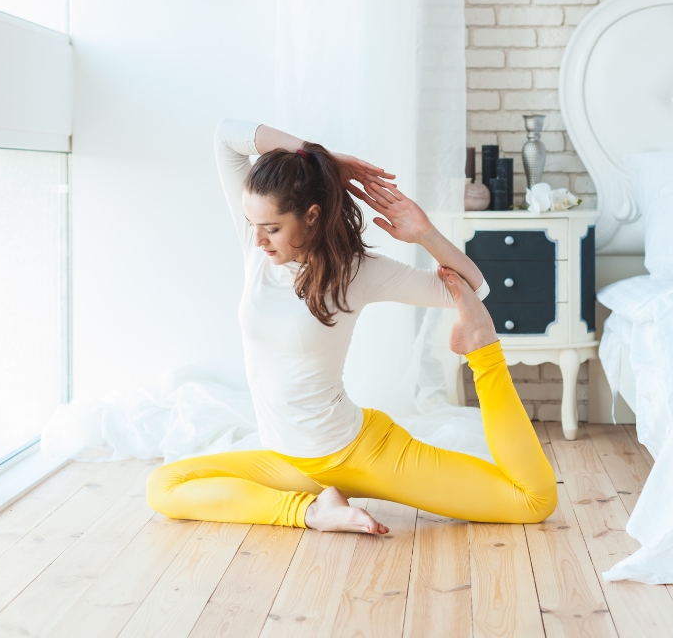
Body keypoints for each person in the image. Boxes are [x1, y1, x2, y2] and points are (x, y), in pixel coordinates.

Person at [146, 120, 557, 533]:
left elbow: (472, 289)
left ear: (310, 217)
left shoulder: (355, 272)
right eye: (254, 226)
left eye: (272, 229)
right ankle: (313, 512)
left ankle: (483, 351)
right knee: (164, 485)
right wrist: (317, 155)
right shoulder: (259, 251)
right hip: (289, 463)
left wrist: (425, 233)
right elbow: (226, 137)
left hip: (362, 454)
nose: (258, 240)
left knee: (532, 500)